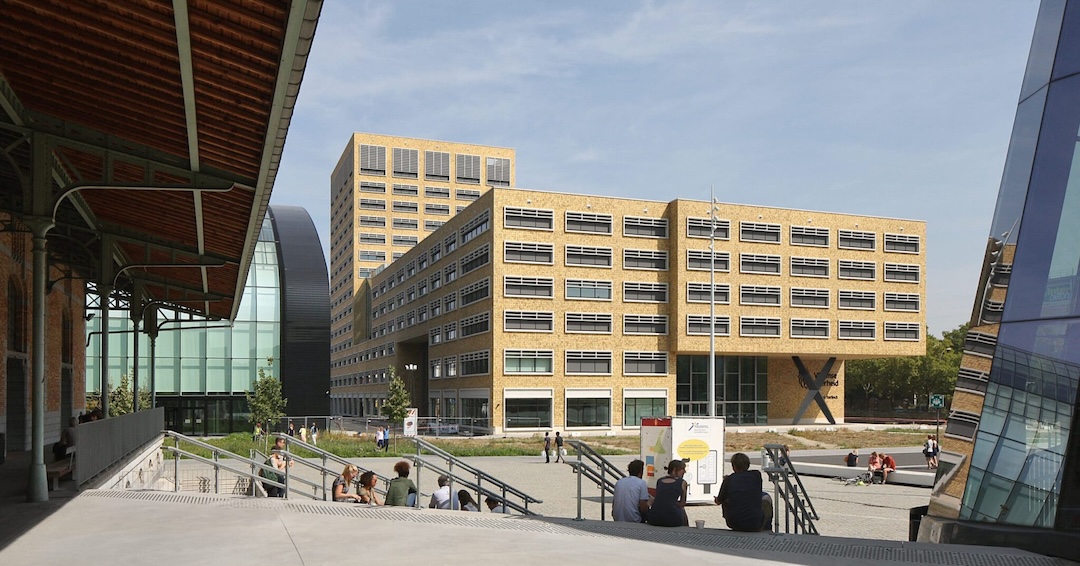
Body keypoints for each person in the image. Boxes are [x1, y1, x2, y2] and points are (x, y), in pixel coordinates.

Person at [715, 453, 766, 532]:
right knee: (765, 496)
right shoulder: (756, 475)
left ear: (733, 466)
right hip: (756, 523)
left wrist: (726, 482)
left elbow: (718, 501)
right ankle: (767, 527)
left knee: (727, 499)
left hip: (734, 523)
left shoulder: (729, 480)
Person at [647, 459, 688, 527]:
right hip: (673, 519)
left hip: (654, 517)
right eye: (682, 469)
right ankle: (686, 529)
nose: (684, 471)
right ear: (675, 469)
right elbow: (682, 503)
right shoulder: (682, 482)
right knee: (682, 510)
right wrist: (672, 503)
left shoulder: (660, 481)